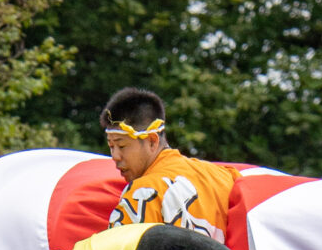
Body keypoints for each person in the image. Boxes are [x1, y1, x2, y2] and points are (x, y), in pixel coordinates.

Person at [101, 88, 235, 240]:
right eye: (111, 146)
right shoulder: (223, 175)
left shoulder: (143, 192)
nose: (115, 156)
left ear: (152, 140)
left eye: (122, 146)